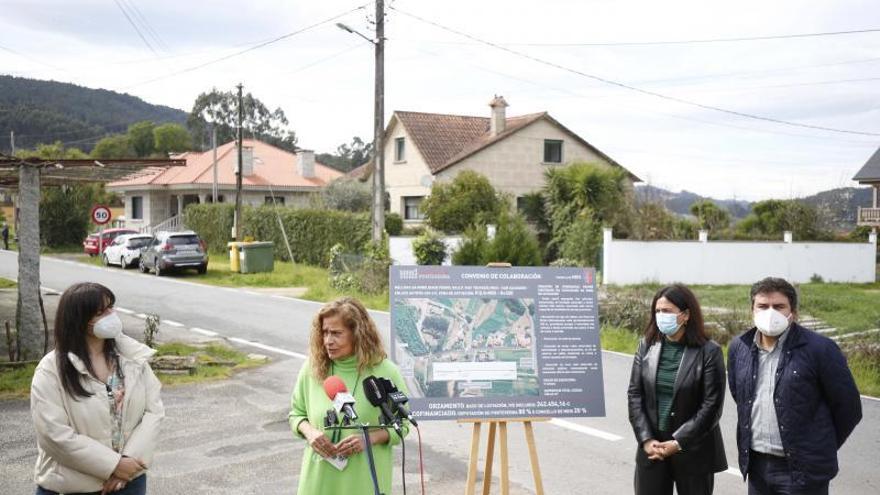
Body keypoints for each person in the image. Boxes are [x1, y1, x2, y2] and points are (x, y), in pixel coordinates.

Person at [728, 277, 862, 494]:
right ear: (752, 310)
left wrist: (818, 445)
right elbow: (741, 396)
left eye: (779, 306)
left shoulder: (821, 349)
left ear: (793, 312)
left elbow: (849, 408)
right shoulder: (739, 347)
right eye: (762, 306)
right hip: (757, 465)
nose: (770, 312)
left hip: (802, 471)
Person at [30, 282, 164, 495]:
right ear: (79, 320)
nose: (111, 315)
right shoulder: (51, 370)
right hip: (70, 487)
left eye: (111, 307)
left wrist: (126, 464)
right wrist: (113, 465)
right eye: (101, 312)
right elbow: (53, 434)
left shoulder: (131, 359)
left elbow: (153, 412)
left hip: (128, 482)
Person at [289, 297, 409, 495]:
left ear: (358, 334)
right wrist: (310, 433)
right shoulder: (312, 369)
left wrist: (370, 439)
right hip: (318, 482)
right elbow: (296, 415)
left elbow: (403, 425)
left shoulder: (386, 372)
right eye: (325, 332)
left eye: (336, 333)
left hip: (364, 483)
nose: (328, 340)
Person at [627, 284, 727, 495]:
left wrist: (679, 441)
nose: (661, 316)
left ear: (686, 315)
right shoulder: (646, 346)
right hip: (652, 448)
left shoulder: (709, 352)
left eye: (667, 311)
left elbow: (711, 406)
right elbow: (635, 395)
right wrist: (646, 439)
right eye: (657, 311)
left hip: (694, 450)